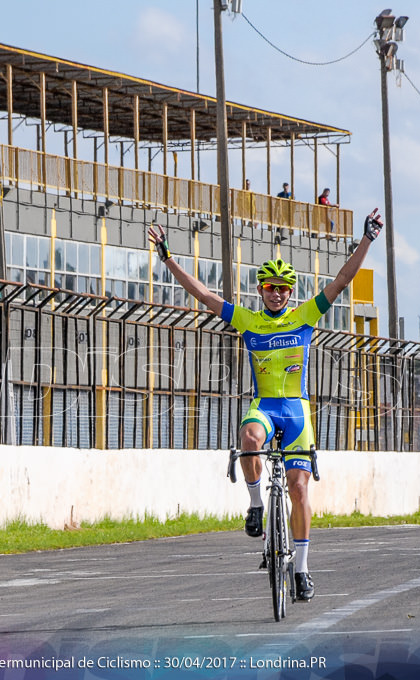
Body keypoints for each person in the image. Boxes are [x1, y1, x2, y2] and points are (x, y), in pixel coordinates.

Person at [147, 208, 384, 602]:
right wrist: (169, 259)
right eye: (271, 287)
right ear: (260, 290)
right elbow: (203, 295)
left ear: (291, 292)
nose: (277, 293)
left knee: (299, 489)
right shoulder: (248, 320)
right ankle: (256, 505)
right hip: (265, 407)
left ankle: (303, 570)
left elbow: (342, 281)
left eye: (284, 288)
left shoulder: (306, 315)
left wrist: (367, 241)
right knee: (249, 436)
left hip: (296, 412)